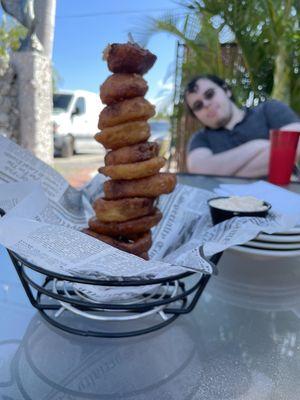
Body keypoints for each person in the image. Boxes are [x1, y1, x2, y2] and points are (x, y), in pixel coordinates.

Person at [185, 75, 300, 177]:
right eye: (198, 106)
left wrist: (226, 174)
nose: (206, 104)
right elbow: (199, 170)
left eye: (209, 94)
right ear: (195, 115)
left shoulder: (268, 110)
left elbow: (296, 146)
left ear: (226, 90)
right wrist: (256, 146)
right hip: (226, 201)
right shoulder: (200, 139)